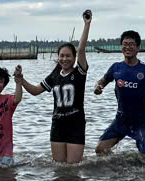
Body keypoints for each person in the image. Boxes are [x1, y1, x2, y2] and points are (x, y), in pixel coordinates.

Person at [19, 9, 92, 163]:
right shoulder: (55, 75)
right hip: (57, 126)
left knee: (72, 169)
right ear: (58, 57)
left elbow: (81, 49)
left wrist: (86, 24)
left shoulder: (79, 73)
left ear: (73, 58)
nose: (64, 59)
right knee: (60, 169)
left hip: (76, 126)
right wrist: (21, 80)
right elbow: (35, 91)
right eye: (62, 56)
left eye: (68, 56)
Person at [93, 31, 145, 160]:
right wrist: (98, 87)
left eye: (131, 44)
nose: (128, 47)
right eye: (125, 44)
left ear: (138, 47)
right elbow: (102, 81)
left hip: (141, 121)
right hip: (121, 120)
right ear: (121, 46)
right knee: (100, 150)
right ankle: (117, 168)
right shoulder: (116, 67)